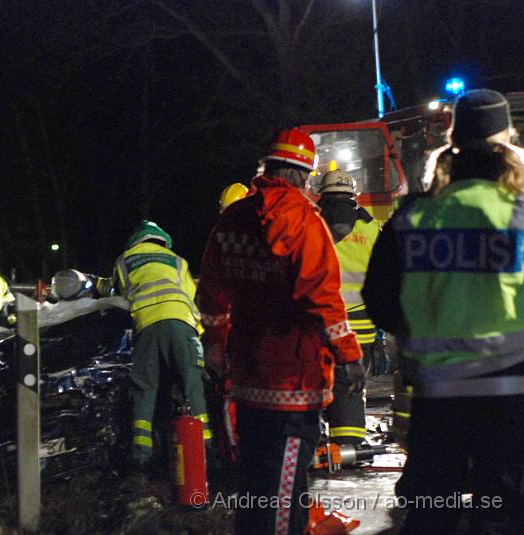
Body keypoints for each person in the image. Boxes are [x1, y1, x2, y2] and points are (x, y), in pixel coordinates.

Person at [362, 89, 524, 534]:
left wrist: (421, 330)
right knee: (505, 515)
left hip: (438, 396)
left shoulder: (414, 216)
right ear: (506, 141)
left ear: (452, 140)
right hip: (511, 397)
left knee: (433, 512)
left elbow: (378, 299)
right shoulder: (519, 215)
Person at [198, 128, 364, 535]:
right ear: (304, 174)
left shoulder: (232, 219)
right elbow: (321, 297)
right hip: (294, 381)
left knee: (256, 485)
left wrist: (218, 344)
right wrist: (349, 353)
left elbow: (212, 294)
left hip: (249, 377)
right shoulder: (304, 221)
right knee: (285, 489)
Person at [113, 220, 210, 469]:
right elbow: (190, 296)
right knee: (192, 385)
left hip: (145, 324)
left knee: (144, 388)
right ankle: (205, 448)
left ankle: (141, 454)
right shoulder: (177, 261)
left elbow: (121, 294)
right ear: (161, 240)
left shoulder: (124, 260)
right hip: (180, 324)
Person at [315, 169, 383, 445]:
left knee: (315, 381)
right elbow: (383, 278)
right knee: (351, 386)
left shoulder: (311, 221)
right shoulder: (369, 226)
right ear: (353, 194)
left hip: (320, 322)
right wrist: (380, 332)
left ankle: (314, 442)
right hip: (360, 329)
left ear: (322, 193)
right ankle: (349, 445)